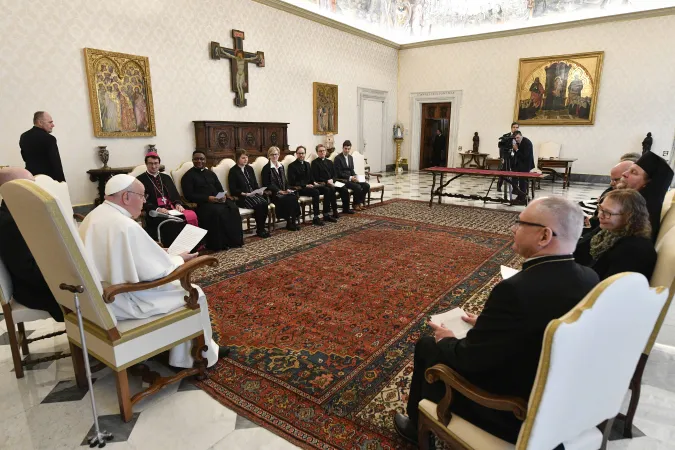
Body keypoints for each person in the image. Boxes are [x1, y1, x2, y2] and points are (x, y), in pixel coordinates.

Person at [395, 197, 599, 445]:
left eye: (520, 223)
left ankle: (417, 426)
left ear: (544, 236)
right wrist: (488, 324)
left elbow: (472, 359)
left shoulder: (516, 289)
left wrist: (447, 340)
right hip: (558, 395)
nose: (513, 229)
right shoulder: (590, 277)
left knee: (428, 344)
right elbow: (537, 326)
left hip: (513, 410)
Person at [79, 174, 225, 368]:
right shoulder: (125, 225)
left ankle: (169, 346)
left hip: (98, 299)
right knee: (194, 293)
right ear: (126, 197)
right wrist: (180, 258)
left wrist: (158, 250)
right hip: (124, 301)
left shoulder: (94, 216)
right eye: (142, 196)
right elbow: (156, 272)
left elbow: (125, 255)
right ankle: (196, 357)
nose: (144, 201)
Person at [0, 167, 63, 322]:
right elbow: (28, 270)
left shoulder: (18, 211)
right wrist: (64, 279)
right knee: (94, 302)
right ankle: (88, 339)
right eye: (31, 186)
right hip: (34, 291)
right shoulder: (9, 223)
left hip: (42, 279)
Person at [575, 189, 656, 280]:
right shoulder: (609, 233)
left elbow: (610, 286)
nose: (599, 216)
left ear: (629, 217)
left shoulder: (633, 250)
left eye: (607, 213)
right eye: (600, 209)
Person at [180, 151, 243, 250]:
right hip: (203, 204)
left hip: (218, 200)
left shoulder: (211, 173)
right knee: (218, 212)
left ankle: (234, 241)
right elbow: (189, 195)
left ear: (205, 160)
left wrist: (223, 196)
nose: (199, 161)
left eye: (202, 159)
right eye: (196, 159)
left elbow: (219, 188)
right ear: (192, 160)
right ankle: (220, 244)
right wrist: (207, 198)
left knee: (233, 208)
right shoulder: (188, 176)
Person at [136, 151, 199, 247]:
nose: (153, 166)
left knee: (187, 217)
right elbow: (141, 200)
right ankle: (173, 251)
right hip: (155, 213)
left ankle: (190, 248)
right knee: (172, 224)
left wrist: (178, 204)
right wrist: (158, 209)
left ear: (159, 163)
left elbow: (175, 194)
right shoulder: (140, 180)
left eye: (156, 163)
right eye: (150, 163)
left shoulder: (166, 177)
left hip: (172, 209)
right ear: (146, 164)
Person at [616, 151, 674, 241]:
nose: (624, 174)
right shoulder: (628, 202)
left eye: (633, 172)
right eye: (628, 169)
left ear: (647, 184)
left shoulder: (639, 216)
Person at [287, 146, 337, 225]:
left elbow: (311, 177)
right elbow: (292, 182)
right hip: (300, 188)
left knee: (327, 190)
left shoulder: (307, 164)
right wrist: (305, 185)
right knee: (315, 192)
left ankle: (326, 214)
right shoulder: (292, 166)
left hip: (310, 186)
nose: (301, 155)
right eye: (299, 153)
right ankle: (315, 217)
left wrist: (314, 182)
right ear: (296, 154)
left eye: (303, 153)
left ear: (305, 154)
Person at [228, 148, 271, 238]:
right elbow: (233, 189)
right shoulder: (233, 171)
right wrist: (243, 193)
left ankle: (261, 227)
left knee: (264, 203)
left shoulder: (249, 169)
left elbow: (255, 184)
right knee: (259, 205)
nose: (246, 159)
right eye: (243, 158)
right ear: (237, 159)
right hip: (242, 197)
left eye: (247, 157)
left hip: (253, 194)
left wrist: (259, 190)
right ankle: (260, 230)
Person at [261, 147, 302, 231]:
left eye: (276, 154)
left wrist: (287, 189)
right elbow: (267, 184)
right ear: (269, 156)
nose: (274, 156)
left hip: (284, 192)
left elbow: (285, 181)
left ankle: (293, 221)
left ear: (279, 155)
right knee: (288, 199)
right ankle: (289, 222)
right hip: (274, 194)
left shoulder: (281, 166)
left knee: (293, 197)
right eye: (272, 154)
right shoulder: (266, 168)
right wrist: (279, 191)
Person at [19, 111, 66, 182]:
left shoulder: (24, 136)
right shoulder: (49, 139)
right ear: (40, 123)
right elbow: (56, 164)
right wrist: (62, 182)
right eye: (50, 122)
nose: (53, 125)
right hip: (48, 180)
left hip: (31, 179)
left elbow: (24, 157)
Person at [311, 144, 354, 215]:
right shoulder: (314, 163)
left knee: (343, 188)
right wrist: (327, 181)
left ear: (326, 152)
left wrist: (332, 180)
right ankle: (334, 210)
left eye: (323, 151)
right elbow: (316, 177)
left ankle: (346, 209)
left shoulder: (329, 162)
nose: (322, 152)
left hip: (333, 181)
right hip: (324, 183)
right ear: (317, 152)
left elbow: (335, 174)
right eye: (320, 151)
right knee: (331, 189)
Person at [333, 140, 370, 211]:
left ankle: (360, 203)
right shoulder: (338, 158)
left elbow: (352, 170)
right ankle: (355, 204)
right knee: (358, 187)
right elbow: (338, 173)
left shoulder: (350, 157)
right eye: (345, 148)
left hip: (351, 177)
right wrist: (350, 177)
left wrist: (356, 176)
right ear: (342, 148)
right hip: (343, 180)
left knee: (366, 185)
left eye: (348, 149)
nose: (347, 150)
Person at [512, 130, 535, 204]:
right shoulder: (519, 142)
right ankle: (520, 196)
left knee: (523, 182)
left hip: (526, 165)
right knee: (519, 181)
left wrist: (517, 149)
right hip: (520, 164)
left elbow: (524, 156)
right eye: (515, 138)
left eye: (518, 137)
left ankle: (522, 198)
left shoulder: (527, 142)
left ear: (521, 135)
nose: (517, 139)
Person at [497, 122, 519, 192]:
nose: (515, 129)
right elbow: (501, 148)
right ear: (511, 128)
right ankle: (499, 186)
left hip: (514, 157)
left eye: (516, 127)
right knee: (503, 171)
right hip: (506, 156)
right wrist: (502, 158)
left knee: (514, 172)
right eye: (514, 127)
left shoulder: (519, 137)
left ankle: (515, 188)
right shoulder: (506, 136)